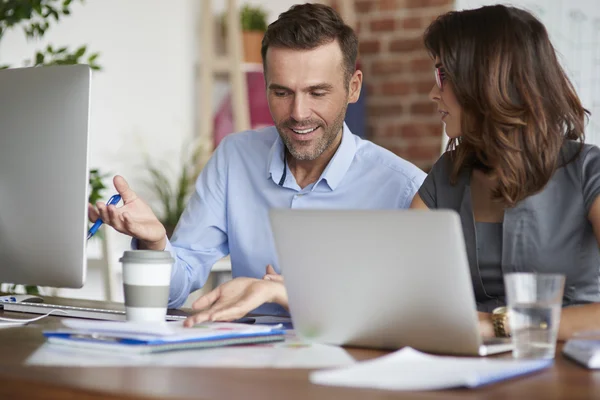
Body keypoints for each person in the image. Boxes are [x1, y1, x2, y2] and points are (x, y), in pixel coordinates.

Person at [88, 3, 425, 320]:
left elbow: (409, 314)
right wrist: (156, 244)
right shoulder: (235, 158)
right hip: (246, 368)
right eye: (282, 93)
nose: (298, 113)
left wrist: (290, 294)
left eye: (317, 93)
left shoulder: (404, 189)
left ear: (353, 88)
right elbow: (174, 291)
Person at [410, 4, 600, 340]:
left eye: (443, 75)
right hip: (473, 367)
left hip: (571, 371)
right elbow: (398, 282)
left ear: (485, 78)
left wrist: (498, 325)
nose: (432, 92)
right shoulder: (447, 175)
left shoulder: (588, 171)